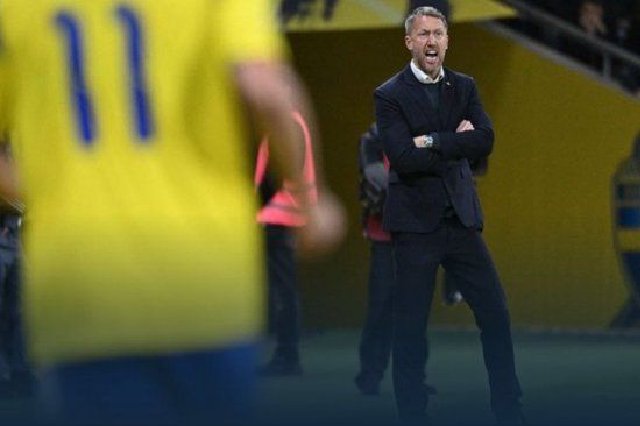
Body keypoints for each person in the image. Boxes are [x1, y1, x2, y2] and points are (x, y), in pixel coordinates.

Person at [0, 1, 344, 425]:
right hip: (202, 279)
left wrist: (47, 189)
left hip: (79, 286)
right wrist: (310, 202)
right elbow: (265, 90)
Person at [374, 6, 523, 425]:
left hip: (461, 220)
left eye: (438, 33)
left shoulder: (465, 86)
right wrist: (455, 142)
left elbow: (485, 140)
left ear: (447, 41)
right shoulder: (388, 94)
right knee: (410, 327)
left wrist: (430, 141)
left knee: (496, 313)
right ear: (409, 42)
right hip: (414, 227)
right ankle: (412, 415)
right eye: (423, 34)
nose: (431, 41)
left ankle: (509, 410)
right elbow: (403, 157)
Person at [254, 110, 317, 376]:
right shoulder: (294, 123)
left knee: (282, 290)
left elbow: (273, 174)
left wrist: (257, 204)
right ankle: (287, 353)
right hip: (286, 214)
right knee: (285, 288)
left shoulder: (284, 125)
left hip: (278, 215)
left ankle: (287, 355)